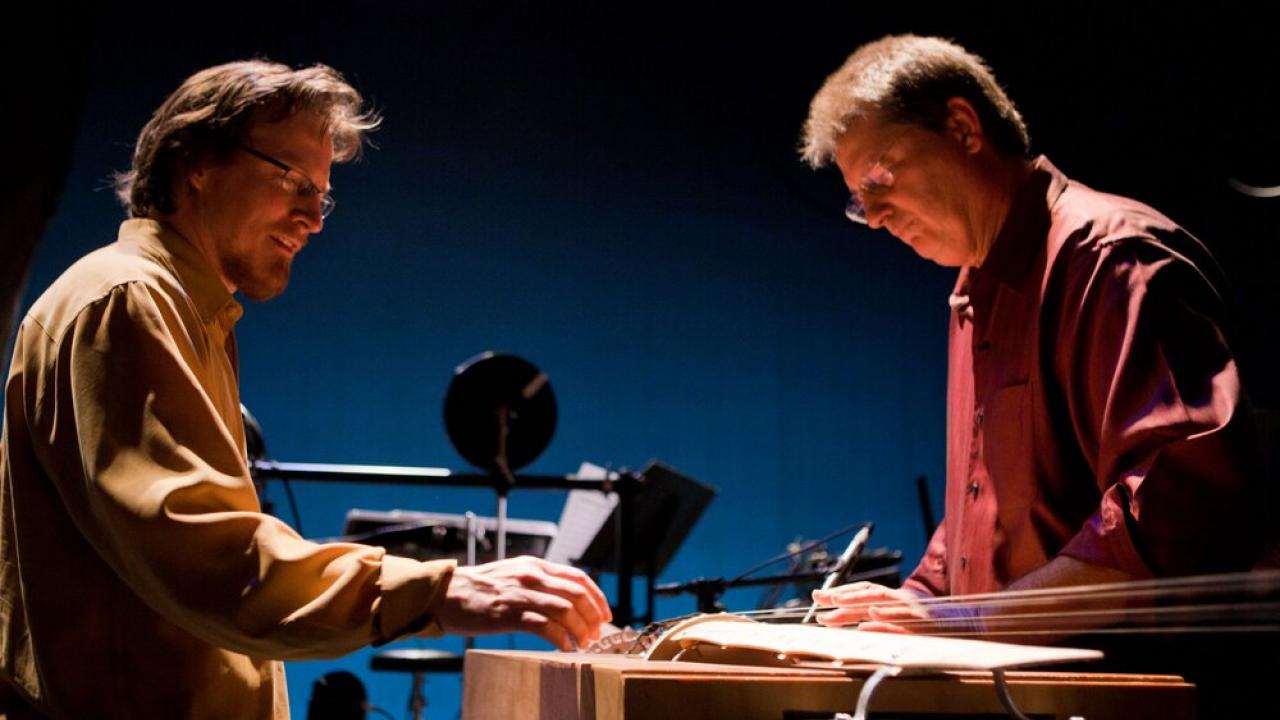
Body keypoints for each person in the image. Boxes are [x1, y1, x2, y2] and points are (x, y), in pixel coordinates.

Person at [0, 60, 610, 719]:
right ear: (194, 162)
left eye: (323, 194)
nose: (314, 218)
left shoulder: (178, 309)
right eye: (292, 180)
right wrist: (437, 591)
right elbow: (209, 559)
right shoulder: (127, 302)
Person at [798, 35, 1269, 632]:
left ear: (964, 128)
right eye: (859, 202)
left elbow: (1173, 516)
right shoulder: (973, 291)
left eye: (879, 178)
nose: (875, 217)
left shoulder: (1112, 259)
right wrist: (922, 598)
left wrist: (965, 619)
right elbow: (984, 509)